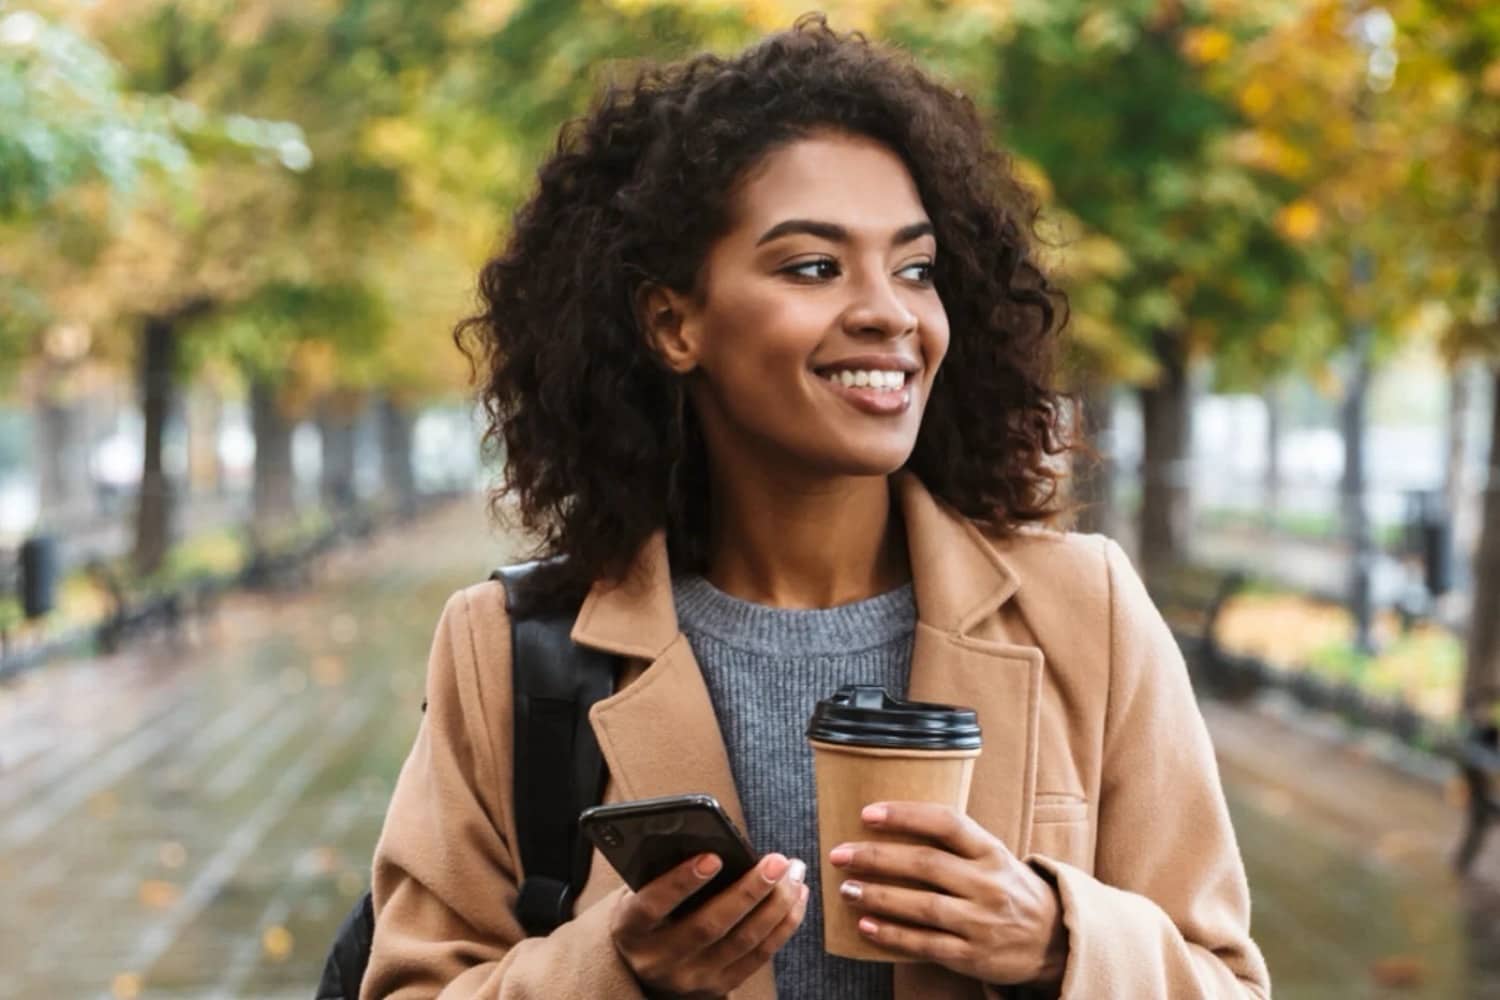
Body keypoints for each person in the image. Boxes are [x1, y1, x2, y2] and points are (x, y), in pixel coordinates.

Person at [363, 15, 1270, 1000]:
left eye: (915, 268)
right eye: (813, 266)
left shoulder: (1084, 611)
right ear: (674, 323)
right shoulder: (509, 650)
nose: (889, 310)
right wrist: (615, 972)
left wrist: (1056, 940)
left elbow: (1227, 981)